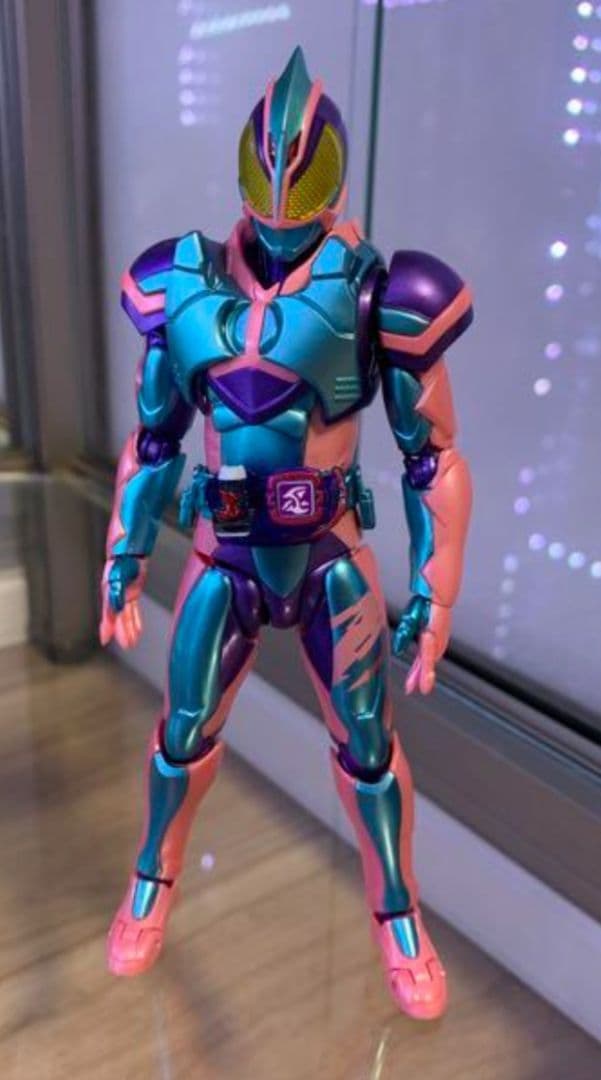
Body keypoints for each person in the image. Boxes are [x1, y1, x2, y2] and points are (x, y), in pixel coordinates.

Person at [100, 47, 473, 1021]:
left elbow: (432, 458)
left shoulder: (379, 295)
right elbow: (153, 439)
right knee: (181, 735)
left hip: (328, 560)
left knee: (367, 748)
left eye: (300, 180)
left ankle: (397, 914)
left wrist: (435, 595)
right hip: (223, 554)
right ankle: (151, 880)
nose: (280, 201)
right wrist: (122, 556)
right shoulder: (183, 286)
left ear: (332, 180)